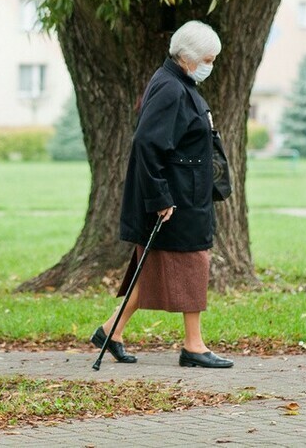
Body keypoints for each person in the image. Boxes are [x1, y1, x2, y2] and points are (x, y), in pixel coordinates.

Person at [91, 20, 234, 369]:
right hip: (176, 199)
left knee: (151, 268)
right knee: (193, 265)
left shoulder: (177, 82)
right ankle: (194, 346)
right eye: (207, 59)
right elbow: (147, 143)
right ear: (187, 57)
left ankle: (111, 330)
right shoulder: (171, 88)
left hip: (185, 194)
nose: (209, 66)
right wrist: (159, 198)